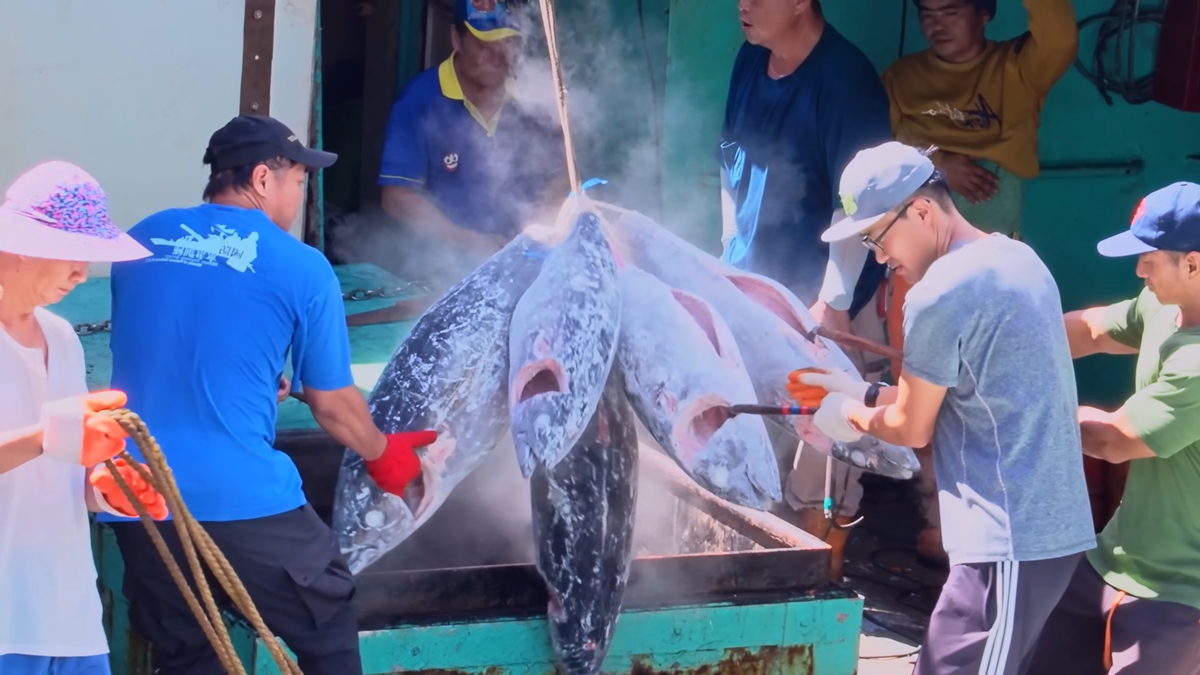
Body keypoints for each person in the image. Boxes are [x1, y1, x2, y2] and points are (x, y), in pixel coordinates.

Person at [103, 115, 439, 675]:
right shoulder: (303, 268)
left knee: (191, 652)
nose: (300, 195)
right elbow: (331, 403)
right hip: (240, 500)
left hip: (136, 497)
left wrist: (255, 380)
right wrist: (384, 453)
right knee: (325, 621)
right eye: (298, 181)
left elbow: (166, 346)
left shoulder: (140, 238)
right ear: (263, 178)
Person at [798, 140, 1096, 674]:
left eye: (876, 238)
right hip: (1043, 533)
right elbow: (956, 396)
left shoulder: (938, 293)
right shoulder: (1018, 257)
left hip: (1010, 539)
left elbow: (912, 426)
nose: (879, 257)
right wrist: (854, 391)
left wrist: (846, 417)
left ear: (921, 209)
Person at [880, 0, 1079, 565]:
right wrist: (943, 159)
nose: (936, 22)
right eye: (926, 12)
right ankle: (937, 521)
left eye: (951, 10)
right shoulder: (902, 78)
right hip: (915, 269)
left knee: (980, 397)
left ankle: (978, 529)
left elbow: (1060, 37)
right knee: (917, 390)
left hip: (990, 266)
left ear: (985, 12)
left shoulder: (1016, 68)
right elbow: (882, 158)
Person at [715, 0, 895, 575]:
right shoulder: (750, 59)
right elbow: (728, 160)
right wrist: (727, 250)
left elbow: (862, 205)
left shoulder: (846, 81)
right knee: (754, 431)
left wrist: (836, 301)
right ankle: (752, 564)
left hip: (825, 296)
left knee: (821, 453)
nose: (742, 4)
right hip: (755, 289)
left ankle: (818, 575)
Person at [0, 161, 168, 675]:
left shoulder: (64, 338)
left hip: (71, 618)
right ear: (18, 246)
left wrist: (105, 486)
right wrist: (50, 436)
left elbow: (62, 464)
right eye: (72, 253)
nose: (82, 272)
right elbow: (50, 441)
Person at [1026, 182, 1200, 675]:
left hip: (1182, 593)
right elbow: (1091, 330)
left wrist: (1022, 405)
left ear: (1193, 263)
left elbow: (1113, 440)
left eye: (1150, 258)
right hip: (1109, 563)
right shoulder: (1165, 306)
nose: (1138, 269)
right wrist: (1000, 343)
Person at [378, 0, 567, 290]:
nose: (497, 57)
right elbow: (397, 197)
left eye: (507, 44)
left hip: (526, 266)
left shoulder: (534, 100)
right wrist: (470, 241)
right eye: (484, 45)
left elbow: (561, 176)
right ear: (456, 38)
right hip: (443, 271)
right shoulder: (420, 101)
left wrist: (541, 221)